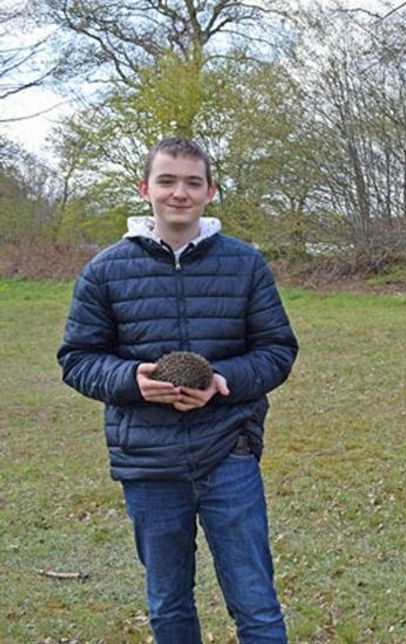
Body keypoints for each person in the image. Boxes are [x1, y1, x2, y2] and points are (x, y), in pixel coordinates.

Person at [58, 137, 298, 642]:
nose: (179, 193)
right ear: (145, 188)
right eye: (167, 181)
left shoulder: (245, 264)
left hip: (228, 451)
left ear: (210, 192)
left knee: (256, 605)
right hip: (148, 461)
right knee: (168, 607)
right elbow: (77, 359)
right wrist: (132, 382)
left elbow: (277, 350)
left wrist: (221, 382)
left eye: (193, 182)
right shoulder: (104, 271)